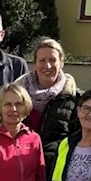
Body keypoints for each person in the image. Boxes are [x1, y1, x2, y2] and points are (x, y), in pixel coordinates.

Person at [17, 38, 80, 166]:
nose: (47, 66)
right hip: (20, 163)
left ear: (62, 63)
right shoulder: (17, 94)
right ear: (34, 63)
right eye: (42, 60)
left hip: (56, 166)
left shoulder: (74, 98)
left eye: (52, 60)